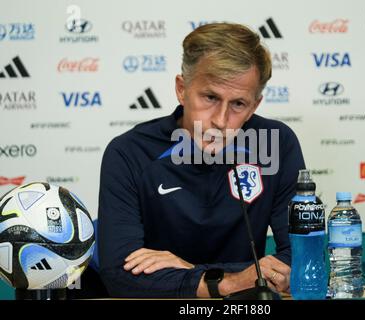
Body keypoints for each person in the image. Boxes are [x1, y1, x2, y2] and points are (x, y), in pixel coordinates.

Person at [98, 22, 305, 298]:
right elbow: (120, 276)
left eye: (238, 104)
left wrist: (193, 272)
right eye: (210, 97)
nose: (220, 121)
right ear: (182, 89)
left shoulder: (277, 144)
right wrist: (229, 282)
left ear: (254, 106)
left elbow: (303, 259)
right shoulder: (129, 152)